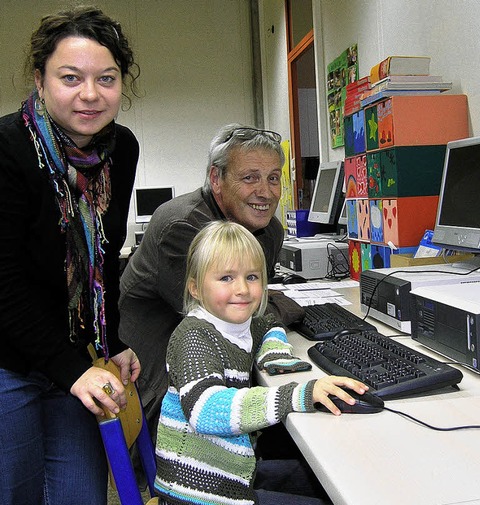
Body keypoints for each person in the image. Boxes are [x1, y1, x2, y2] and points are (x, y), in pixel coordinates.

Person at [0, 6, 141, 505]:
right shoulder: (6, 148)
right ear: (39, 80)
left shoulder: (120, 149)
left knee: (80, 495)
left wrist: (113, 339)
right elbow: (4, 284)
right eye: (70, 77)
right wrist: (72, 367)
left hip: (71, 359)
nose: (90, 94)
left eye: (106, 78)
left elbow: (104, 256)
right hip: (7, 360)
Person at [154, 220, 368, 505]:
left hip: (230, 471)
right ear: (195, 288)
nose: (242, 289)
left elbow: (269, 323)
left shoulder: (237, 324)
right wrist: (297, 394)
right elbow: (206, 411)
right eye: (226, 278)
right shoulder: (194, 337)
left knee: (338, 478)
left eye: (252, 277)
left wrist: (273, 353)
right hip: (197, 492)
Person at [119, 123, 300, 441]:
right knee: (295, 423)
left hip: (219, 362)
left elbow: (254, 307)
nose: (266, 192)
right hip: (165, 387)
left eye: (273, 178)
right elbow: (242, 313)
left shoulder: (267, 230)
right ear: (216, 179)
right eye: (250, 177)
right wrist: (283, 306)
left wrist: (269, 307)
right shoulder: (184, 227)